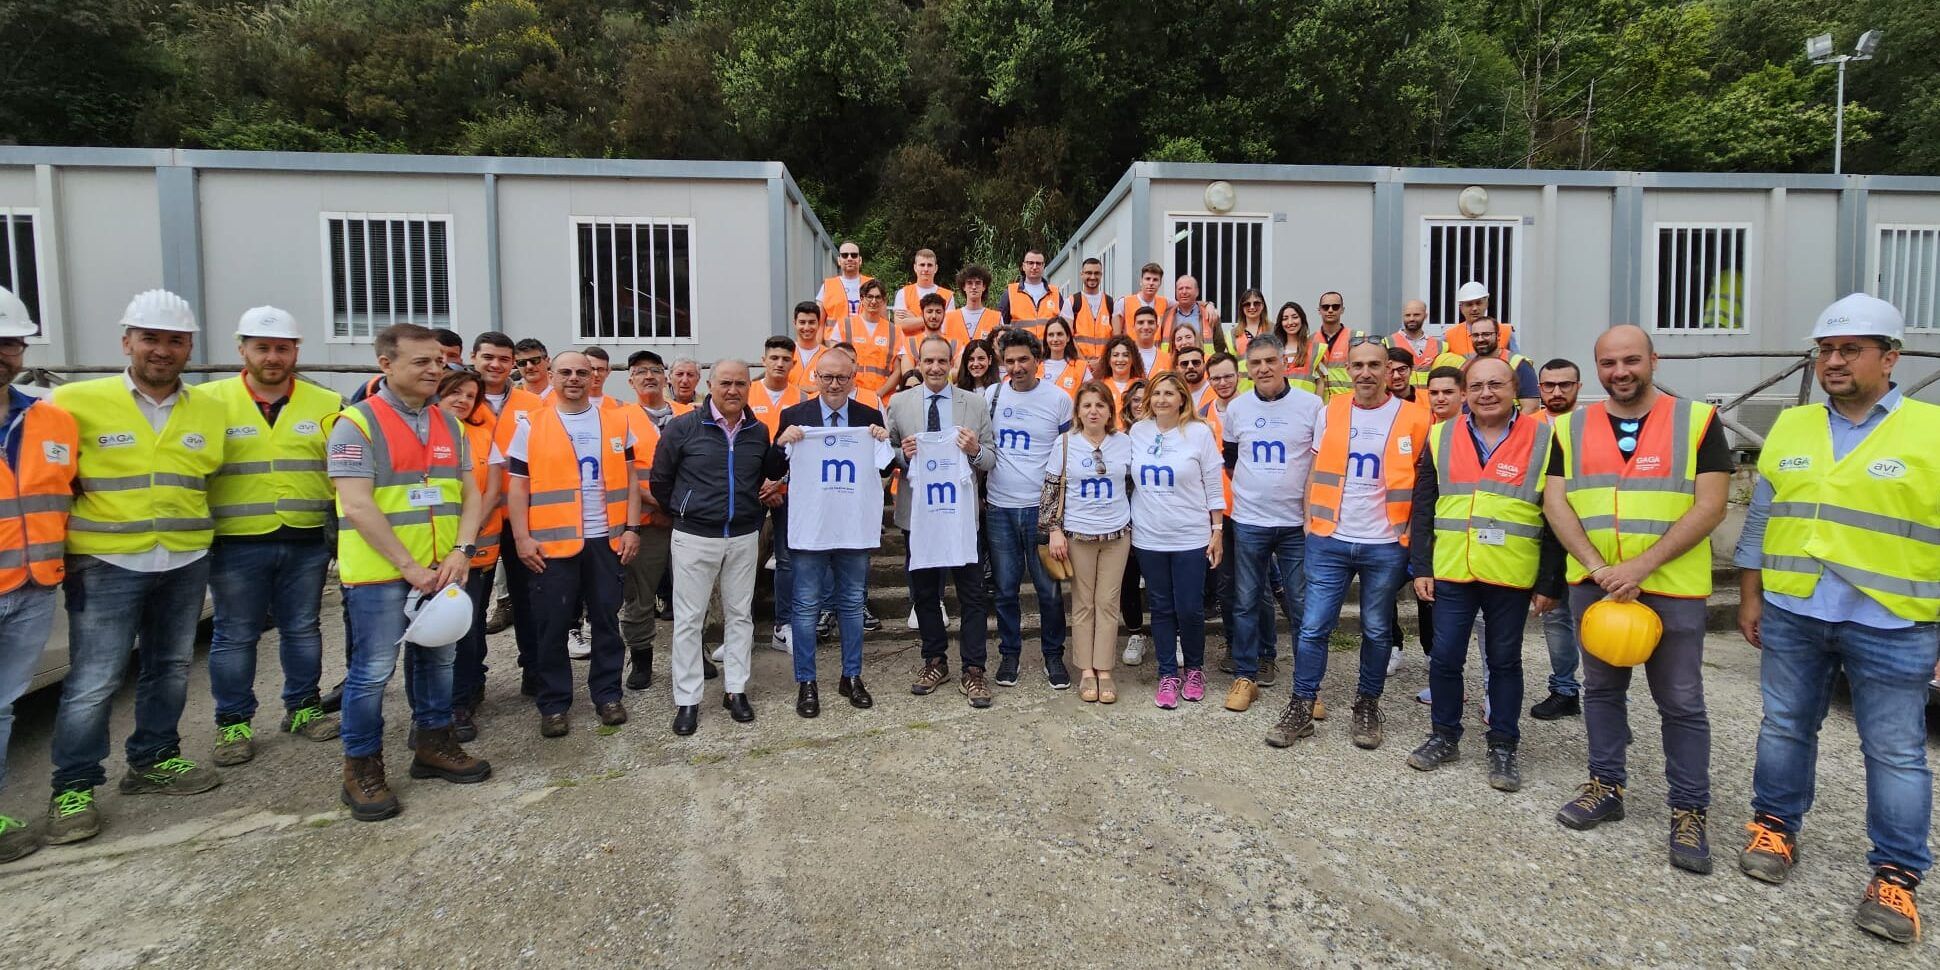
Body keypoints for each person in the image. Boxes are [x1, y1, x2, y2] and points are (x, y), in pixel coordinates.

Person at [1733, 294, 1937, 944]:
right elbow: (1762, 518)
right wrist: (1750, 593)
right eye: (1826, 350)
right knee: (1786, 727)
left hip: (1894, 620)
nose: (1835, 361)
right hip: (1795, 611)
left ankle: (1897, 876)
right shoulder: (1793, 428)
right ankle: (1775, 828)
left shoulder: (1930, 432)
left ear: (1890, 357)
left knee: (1897, 752)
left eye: (1850, 349)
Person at [45, 290, 228, 846]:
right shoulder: (74, 403)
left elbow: (206, 479)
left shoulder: (209, 410)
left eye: (175, 340)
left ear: (189, 347)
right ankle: (73, 786)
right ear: (127, 341)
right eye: (151, 338)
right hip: (105, 561)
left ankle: (154, 759)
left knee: (170, 666)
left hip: (185, 556)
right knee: (95, 679)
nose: (162, 351)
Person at [1546, 324, 1729, 875]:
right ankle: (1606, 784)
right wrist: (1601, 569)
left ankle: (1689, 809)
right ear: (1596, 367)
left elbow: (1712, 505)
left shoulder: (1697, 421)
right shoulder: (1570, 427)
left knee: (1680, 702)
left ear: (1653, 359)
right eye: (1608, 363)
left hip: (1669, 588)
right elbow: (1557, 504)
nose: (1619, 372)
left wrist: (1639, 568)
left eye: (1630, 361)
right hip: (1596, 586)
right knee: (1601, 690)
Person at [329, 323, 492, 822]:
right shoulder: (355, 424)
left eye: (438, 362)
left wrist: (462, 552)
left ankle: (432, 743)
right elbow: (356, 504)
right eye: (421, 361)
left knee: (438, 662)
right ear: (386, 364)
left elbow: (472, 495)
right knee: (373, 672)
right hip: (381, 573)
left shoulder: (449, 424)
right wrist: (408, 565)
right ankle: (361, 766)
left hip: (443, 569)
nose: (433, 370)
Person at [1404, 355, 1563, 792]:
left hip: (1511, 571)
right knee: (1446, 656)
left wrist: (1550, 581)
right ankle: (1444, 735)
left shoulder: (1544, 438)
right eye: (1476, 386)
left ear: (1514, 389)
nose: (1486, 393)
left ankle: (1503, 744)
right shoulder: (1441, 435)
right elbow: (1424, 505)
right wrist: (1423, 564)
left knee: (1505, 661)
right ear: (1465, 392)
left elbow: (1557, 514)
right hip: (1454, 567)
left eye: (1495, 384)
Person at [1266, 338, 1430, 750]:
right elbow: (1316, 468)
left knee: (1376, 630)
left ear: (1390, 369)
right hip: (1330, 539)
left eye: (1374, 365)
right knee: (1314, 627)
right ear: (1348, 370)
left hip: (1385, 543)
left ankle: (1367, 704)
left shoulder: (1415, 417)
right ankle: (1302, 704)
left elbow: (1424, 486)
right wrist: (1308, 520)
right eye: (1357, 365)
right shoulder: (1332, 412)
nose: (1365, 373)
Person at [204, 306, 345, 769]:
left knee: (302, 627)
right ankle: (233, 723)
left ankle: (303, 708)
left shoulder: (325, 403)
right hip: (236, 539)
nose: (272, 357)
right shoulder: (209, 402)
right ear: (242, 348)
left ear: (295, 351)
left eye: (282, 348)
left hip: (304, 535)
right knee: (235, 634)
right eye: (262, 347)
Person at [507, 352, 642, 738]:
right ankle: (553, 704)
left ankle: (607, 695)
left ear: (595, 376)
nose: (574, 378)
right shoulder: (531, 424)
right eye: (565, 372)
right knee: (551, 626)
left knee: (606, 621)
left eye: (583, 372)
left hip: (606, 540)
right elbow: (517, 486)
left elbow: (631, 480)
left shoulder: (617, 421)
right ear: (551, 375)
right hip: (552, 546)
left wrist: (632, 528)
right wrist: (521, 538)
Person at [649, 360, 783, 735]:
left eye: (740, 383)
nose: (733, 390)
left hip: (742, 535)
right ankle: (688, 699)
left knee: (740, 616)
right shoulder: (682, 428)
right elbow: (661, 481)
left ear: (748, 388)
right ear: (711, 384)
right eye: (725, 383)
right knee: (689, 621)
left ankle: (736, 690)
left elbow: (763, 474)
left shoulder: (758, 431)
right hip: (694, 536)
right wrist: (685, 510)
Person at [0, 287, 77, 863]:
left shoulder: (52, 420)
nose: (2, 353)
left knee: (3, 703)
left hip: (30, 586)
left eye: (8, 342)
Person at [774, 350, 891, 717]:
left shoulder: (868, 417)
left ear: (854, 378)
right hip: (811, 526)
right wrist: (781, 443)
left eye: (841, 377)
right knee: (806, 607)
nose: (834, 384)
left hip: (853, 527)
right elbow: (773, 467)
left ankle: (851, 675)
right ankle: (806, 682)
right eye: (827, 377)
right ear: (815, 378)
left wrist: (883, 440)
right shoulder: (795, 416)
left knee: (853, 604)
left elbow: (886, 469)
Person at [887, 335, 998, 708]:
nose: (935, 368)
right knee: (924, 594)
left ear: (952, 363)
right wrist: (903, 456)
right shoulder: (899, 403)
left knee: (971, 594)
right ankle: (934, 660)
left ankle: (973, 667)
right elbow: (887, 457)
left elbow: (991, 459)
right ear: (918, 362)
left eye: (942, 361)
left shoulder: (974, 403)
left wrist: (974, 450)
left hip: (963, 516)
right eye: (928, 361)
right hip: (918, 515)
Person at [1221, 335, 1321, 712]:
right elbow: (1231, 459)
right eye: (1255, 363)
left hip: (1296, 523)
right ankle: (1246, 676)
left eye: (1270, 361)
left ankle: (1307, 687)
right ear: (1247, 367)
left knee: (1300, 603)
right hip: (1249, 520)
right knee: (1246, 602)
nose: (1262, 369)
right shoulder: (1238, 408)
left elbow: (1319, 460)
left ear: (1284, 362)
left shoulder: (1311, 405)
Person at [983, 329, 1075, 688]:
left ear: (1037, 359)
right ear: (1001, 362)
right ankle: (1010, 654)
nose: (1017, 366)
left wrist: (1059, 516)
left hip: (1041, 510)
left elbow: (1069, 455)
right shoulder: (991, 394)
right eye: (1010, 360)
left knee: (1048, 591)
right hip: (1000, 508)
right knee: (1005, 589)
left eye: (1024, 359)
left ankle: (1054, 656)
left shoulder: (1058, 399)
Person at [1128, 371, 1224, 710]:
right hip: (1149, 536)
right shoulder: (1137, 432)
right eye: (1156, 393)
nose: (1162, 399)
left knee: (1189, 607)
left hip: (1190, 536)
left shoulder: (1199, 433)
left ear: (1183, 398)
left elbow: (1214, 484)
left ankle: (1195, 669)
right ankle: (1168, 673)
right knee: (1161, 607)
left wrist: (1217, 530)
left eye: (1170, 393)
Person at [1044, 381, 1133, 704]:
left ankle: (1104, 669)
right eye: (1087, 405)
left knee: (1108, 603)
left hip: (1116, 534)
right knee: (1083, 603)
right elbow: (1052, 488)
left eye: (1100, 405)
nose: (1093, 411)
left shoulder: (1124, 443)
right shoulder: (1065, 443)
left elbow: (1134, 484)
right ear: (1078, 412)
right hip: (1078, 534)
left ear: (1110, 410)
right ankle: (1086, 670)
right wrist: (1054, 529)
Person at [617, 349, 700, 691]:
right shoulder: (618, 419)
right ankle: (641, 660)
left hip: (687, 520)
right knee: (639, 596)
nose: (648, 376)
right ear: (630, 379)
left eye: (654, 370)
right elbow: (622, 475)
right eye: (640, 371)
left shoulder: (691, 414)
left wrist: (679, 507)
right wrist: (663, 504)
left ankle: (697, 655)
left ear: (665, 376)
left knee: (693, 593)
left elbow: (701, 466)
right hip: (647, 522)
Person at [439, 370, 502, 742]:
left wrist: (465, 538)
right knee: (433, 632)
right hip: (426, 553)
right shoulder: (420, 432)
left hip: (474, 549)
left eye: (470, 395)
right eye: (455, 393)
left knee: (468, 627)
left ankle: (462, 698)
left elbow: (491, 490)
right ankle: (433, 708)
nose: (462, 400)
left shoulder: (482, 434)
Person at [1530, 358, 1585, 720]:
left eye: (1564, 385)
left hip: (1584, 534)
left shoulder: (1592, 425)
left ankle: (1609, 700)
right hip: (1536, 531)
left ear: (1578, 387)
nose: (1556, 392)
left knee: (1593, 619)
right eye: (1548, 385)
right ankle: (1564, 688)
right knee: (1554, 616)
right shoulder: (1527, 427)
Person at [1433, 318, 1539, 413]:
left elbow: (1531, 407)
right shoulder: (1468, 366)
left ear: (1498, 336)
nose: (1480, 339)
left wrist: (1511, 432)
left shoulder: (1518, 364)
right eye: (1475, 335)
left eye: (1486, 334)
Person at [1117, 379, 1151, 665]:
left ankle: (1173, 634)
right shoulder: (1120, 438)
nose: (1140, 404)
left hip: (1157, 518)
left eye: (1145, 398)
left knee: (1160, 581)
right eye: (1136, 400)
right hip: (1126, 517)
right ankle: (1136, 633)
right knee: (1127, 578)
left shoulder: (1166, 434)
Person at [831, 278, 897, 395]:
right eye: (869, 296)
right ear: (861, 299)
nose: (873, 301)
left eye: (878, 297)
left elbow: (898, 370)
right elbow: (835, 363)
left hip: (882, 399)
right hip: (850, 396)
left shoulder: (895, 331)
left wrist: (879, 394)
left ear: (883, 301)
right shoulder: (844, 326)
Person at [894, 293, 957, 389]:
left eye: (938, 312)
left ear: (944, 314)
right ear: (922, 314)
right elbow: (909, 376)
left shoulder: (956, 342)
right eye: (929, 311)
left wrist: (921, 370)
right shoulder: (910, 343)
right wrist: (944, 373)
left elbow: (961, 372)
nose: (934, 316)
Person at [1312, 292, 1364, 399]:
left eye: (1335, 307)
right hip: (1322, 404)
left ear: (1342, 310)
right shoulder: (1310, 340)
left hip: (1349, 402)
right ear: (1319, 310)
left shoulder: (1357, 337)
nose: (1330, 310)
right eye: (1325, 307)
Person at [1443, 281, 1516, 356]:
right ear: (1461, 308)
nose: (1474, 308)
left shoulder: (1506, 331)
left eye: (1478, 303)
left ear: (1486, 304)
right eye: (1469, 304)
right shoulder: (1449, 336)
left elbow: (1516, 362)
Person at [894, 247, 953, 331]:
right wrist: (935, 320)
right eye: (922, 265)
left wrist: (915, 318)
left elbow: (947, 326)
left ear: (936, 268)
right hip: (911, 344)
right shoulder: (903, 293)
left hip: (936, 343)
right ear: (915, 267)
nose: (926, 269)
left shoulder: (948, 296)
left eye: (929, 265)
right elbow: (900, 325)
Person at [1066, 257, 1114, 360]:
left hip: (1105, 366)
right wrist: (1084, 363)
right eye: (1088, 273)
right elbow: (1067, 337)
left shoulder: (1110, 303)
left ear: (1101, 275)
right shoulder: (1072, 302)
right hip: (1079, 365)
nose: (1092, 277)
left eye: (1096, 273)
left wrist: (1102, 363)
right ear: (1081, 274)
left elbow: (1115, 338)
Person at [1162, 275, 1225, 354]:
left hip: (1204, 364)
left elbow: (1220, 345)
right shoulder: (1165, 316)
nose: (1184, 292)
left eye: (1188, 288)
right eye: (1180, 288)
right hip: (1173, 364)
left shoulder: (1210, 314)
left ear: (1197, 292)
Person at [1386, 300, 1440, 387]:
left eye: (1416, 315)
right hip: (1402, 397)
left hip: (1428, 398)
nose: (1411, 319)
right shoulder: (1387, 343)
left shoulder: (1440, 345)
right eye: (1407, 315)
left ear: (1425, 316)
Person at [998, 249, 1062, 324]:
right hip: (1019, 336)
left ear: (1043, 266)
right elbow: (1001, 324)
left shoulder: (1055, 293)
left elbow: (1063, 325)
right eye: (1031, 263)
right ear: (1024, 266)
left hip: (1046, 336)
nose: (1034, 267)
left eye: (1038, 263)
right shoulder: (1010, 292)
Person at [945, 264, 1000, 347]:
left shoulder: (996, 317)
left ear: (984, 287)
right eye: (969, 283)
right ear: (964, 287)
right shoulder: (949, 318)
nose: (974, 287)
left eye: (978, 283)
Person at [818, 240, 873, 321]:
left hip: (864, 334)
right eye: (845, 255)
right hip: (835, 334)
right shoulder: (827, 286)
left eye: (854, 255)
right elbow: (819, 323)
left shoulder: (872, 284)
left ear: (860, 260)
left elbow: (882, 320)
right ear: (839, 260)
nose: (849, 258)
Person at [1276, 302, 1321, 395]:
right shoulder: (1274, 350)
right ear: (1280, 323)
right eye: (1285, 319)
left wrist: (1318, 407)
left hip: (1306, 407)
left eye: (1295, 317)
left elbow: (1320, 382)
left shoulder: (1315, 349)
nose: (1290, 322)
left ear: (1302, 319)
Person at [788, 302, 834, 391]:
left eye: (811, 322)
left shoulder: (828, 355)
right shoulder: (786, 352)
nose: (806, 327)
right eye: (802, 322)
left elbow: (832, 387)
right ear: (795, 323)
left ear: (819, 323)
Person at [1117, 263, 1170, 334]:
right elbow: (1117, 334)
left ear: (1160, 283)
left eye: (1155, 280)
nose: (1151, 283)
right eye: (1147, 279)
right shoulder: (1123, 303)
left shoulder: (1165, 303)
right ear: (1141, 281)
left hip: (1155, 345)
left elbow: (1182, 304)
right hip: (1131, 345)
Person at [1040, 317, 1085, 398]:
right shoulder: (1035, 366)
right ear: (1046, 339)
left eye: (1059, 334)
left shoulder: (1081, 367)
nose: (1055, 339)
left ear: (1068, 338)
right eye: (1051, 335)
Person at [1094, 335, 1146, 400]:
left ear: (1133, 359)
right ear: (1108, 359)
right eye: (1115, 355)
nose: (1120, 359)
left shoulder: (1141, 385)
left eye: (1125, 355)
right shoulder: (1100, 386)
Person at [1230, 288, 1273, 356]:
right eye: (1247, 304)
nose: (1252, 307)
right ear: (1242, 307)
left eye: (1256, 303)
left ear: (1262, 305)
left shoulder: (1273, 329)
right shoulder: (1233, 334)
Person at [1129, 305, 1165, 375]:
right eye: (1141, 322)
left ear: (1157, 327)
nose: (1146, 327)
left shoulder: (1166, 358)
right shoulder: (1125, 356)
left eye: (1150, 322)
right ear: (1134, 327)